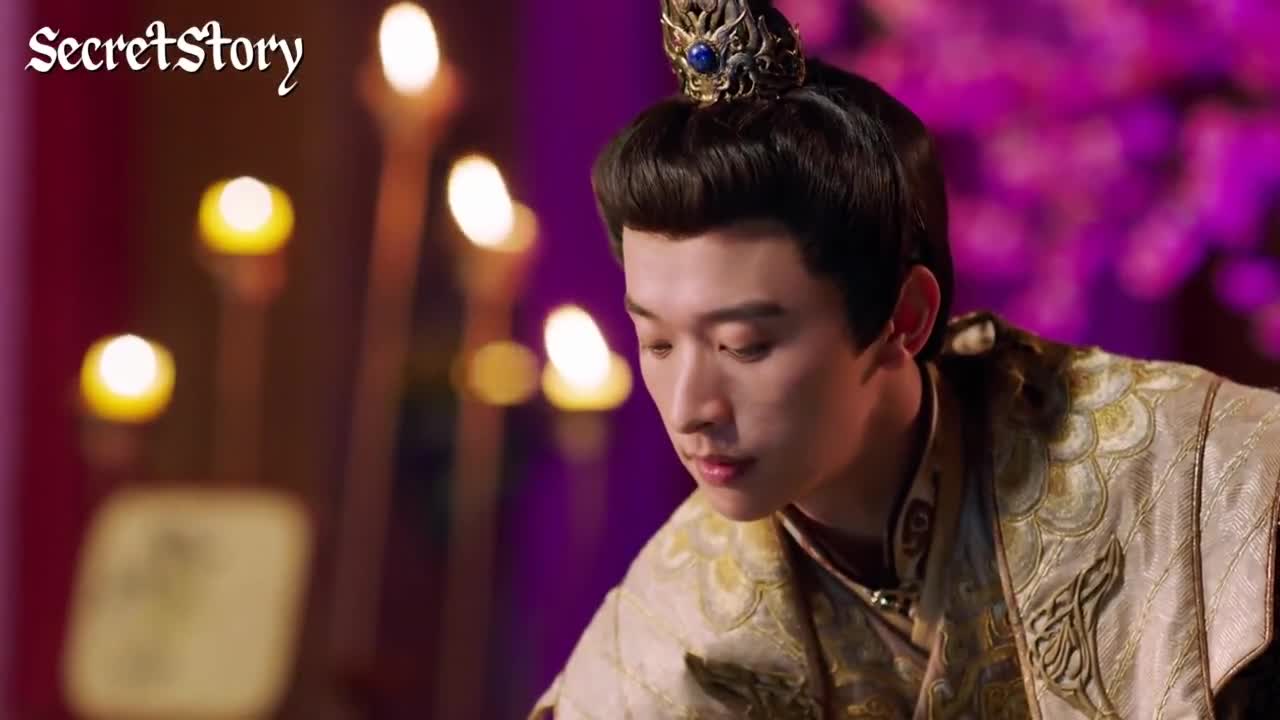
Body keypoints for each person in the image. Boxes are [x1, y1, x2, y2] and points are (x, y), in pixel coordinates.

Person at [531, 1, 1280, 717]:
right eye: (659, 343)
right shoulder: (667, 633)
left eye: (745, 345)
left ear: (906, 316)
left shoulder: (1182, 471)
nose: (690, 406)